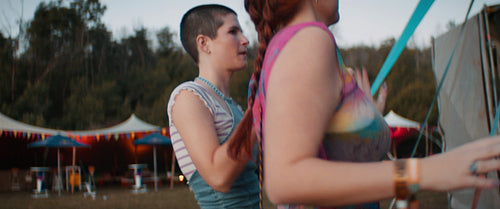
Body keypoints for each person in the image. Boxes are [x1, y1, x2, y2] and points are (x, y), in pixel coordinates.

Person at [227, 0, 500, 208]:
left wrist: (365, 115)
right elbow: (285, 179)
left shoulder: (286, 47)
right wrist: (425, 171)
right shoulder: (309, 39)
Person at [166, 4, 259, 209]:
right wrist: (260, 107)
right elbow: (218, 176)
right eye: (233, 32)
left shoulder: (233, 105)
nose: (245, 40)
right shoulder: (188, 97)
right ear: (204, 43)